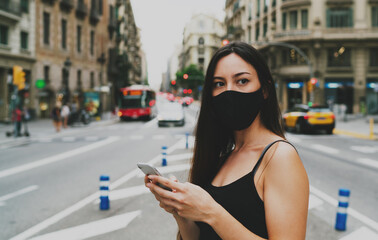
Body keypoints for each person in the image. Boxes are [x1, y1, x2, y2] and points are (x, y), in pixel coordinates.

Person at [144, 42, 309, 240]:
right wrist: (180, 211)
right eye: (219, 84)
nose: (229, 92)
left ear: (264, 90)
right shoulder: (223, 155)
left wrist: (211, 212)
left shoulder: (279, 156)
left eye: (242, 81)